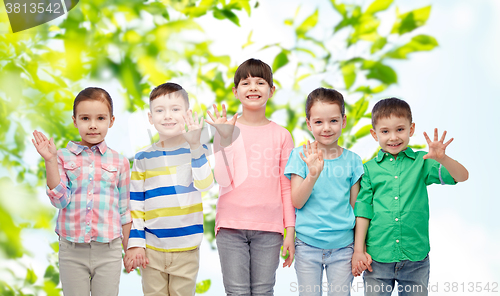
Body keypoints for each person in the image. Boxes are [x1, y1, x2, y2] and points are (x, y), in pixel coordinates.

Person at [352, 97, 469, 296]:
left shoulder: (422, 162)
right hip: (378, 258)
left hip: (416, 259)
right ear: (374, 134)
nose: (393, 137)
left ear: (411, 129)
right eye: (385, 131)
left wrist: (443, 158)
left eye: (400, 129)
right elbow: (363, 211)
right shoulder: (369, 170)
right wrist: (358, 250)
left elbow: (461, 176)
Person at [205, 58, 295, 295]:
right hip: (231, 226)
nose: (253, 87)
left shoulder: (282, 135)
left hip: (270, 228)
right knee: (236, 292)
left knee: (264, 291)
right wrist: (224, 139)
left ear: (271, 90)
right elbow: (222, 178)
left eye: (260, 82)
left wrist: (290, 231)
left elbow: (286, 186)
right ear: (236, 91)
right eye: (246, 82)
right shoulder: (226, 129)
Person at [32, 87, 132, 296]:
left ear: (111, 121)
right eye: (85, 118)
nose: (93, 125)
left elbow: (124, 211)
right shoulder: (61, 156)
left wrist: (129, 249)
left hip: (109, 250)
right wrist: (50, 161)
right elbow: (60, 201)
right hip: (72, 250)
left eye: (100, 118)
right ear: (75, 120)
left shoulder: (119, 161)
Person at [124, 82, 214, 296]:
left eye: (175, 109)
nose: (168, 116)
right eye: (160, 110)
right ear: (150, 118)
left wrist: (195, 147)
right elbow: (135, 202)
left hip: (187, 247)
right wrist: (135, 243)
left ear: (187, 114)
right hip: (152, 248)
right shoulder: (143, 158)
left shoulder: (196, 151)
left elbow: (205, 184)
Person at [284, 87, 364, 296]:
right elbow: (297, 202)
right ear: (309, 123)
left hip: (343, 248)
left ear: (343, 121)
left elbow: (356, 209)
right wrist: (313, 174)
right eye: (318, 122)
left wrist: (359, 249)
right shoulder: (299, 155)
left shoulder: (353, 161)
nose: (326, 128)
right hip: (307, 246)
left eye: (333, 121)